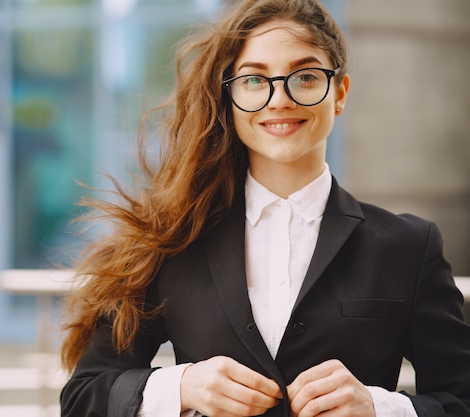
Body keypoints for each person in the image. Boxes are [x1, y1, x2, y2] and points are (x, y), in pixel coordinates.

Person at [59, 0, 470, 416]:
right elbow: (83, 397)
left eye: (305, 76)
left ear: (340, 93)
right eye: (255, 80)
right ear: (231, 98)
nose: (279, 100)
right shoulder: (175, 238)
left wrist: (381, 409)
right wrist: (183, 386)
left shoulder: (409, 247)